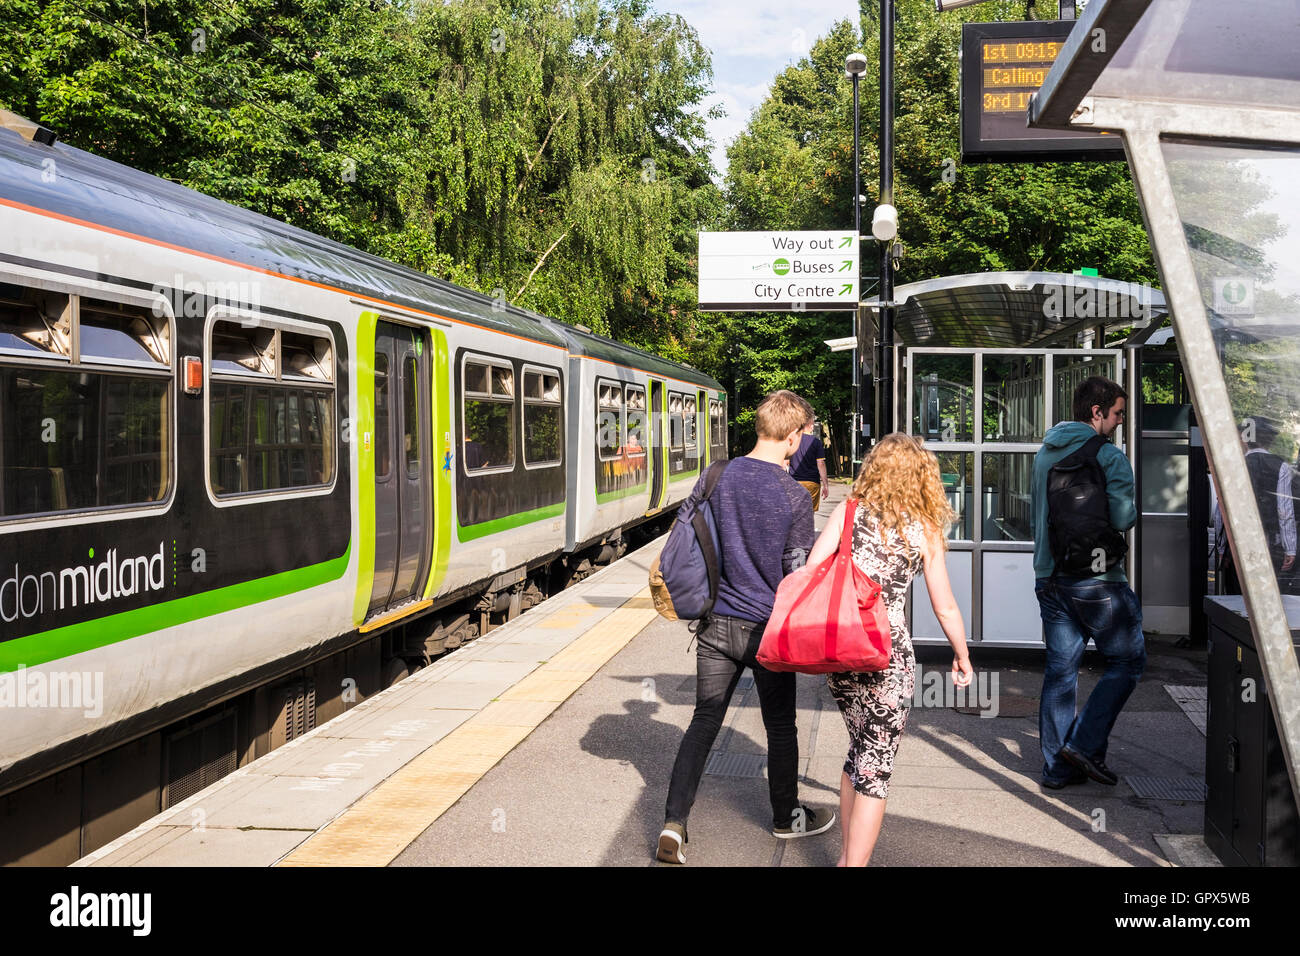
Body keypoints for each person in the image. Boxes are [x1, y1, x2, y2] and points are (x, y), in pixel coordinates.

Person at [658, 389, 835, 864]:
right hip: (767, 631)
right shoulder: (793, 497)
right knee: (780, 726)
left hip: (716, 625)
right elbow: (796, 571)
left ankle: (674, 823)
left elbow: (685, 529)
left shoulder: (717, 474)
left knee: (703, 722)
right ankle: (785, 817)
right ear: (794, 437)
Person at [804, 433, 972, 867]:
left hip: (841, 648)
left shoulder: (848, 511)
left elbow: (811, 570)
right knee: (876, 764)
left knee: (859, 748)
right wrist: (962, 654)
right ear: (921, 476)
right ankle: (852, 865)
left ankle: (846, 855)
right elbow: (945, 605)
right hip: (888, 653)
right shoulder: (924, 530)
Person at [1031, 376, 1144, 790]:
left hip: (1050, 576)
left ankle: (1057, 769)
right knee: (1128, 661)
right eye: (1116, 414)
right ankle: (1082, 744)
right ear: (1096, 412)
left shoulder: (1045, 452)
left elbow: (1037, 516)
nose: (1118, 422)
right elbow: (1123, 519)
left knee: (1061, 672)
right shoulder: (1109, 456)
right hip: (1099, 581)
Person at [788, 415, 830, 513]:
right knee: (809, 512)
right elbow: (821, 464)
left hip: (794, 482)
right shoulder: (816, 443)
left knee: (795, 511)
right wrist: (825, 484)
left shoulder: (792, 441)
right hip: (812, 483)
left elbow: (785, 461)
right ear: (811, 425)